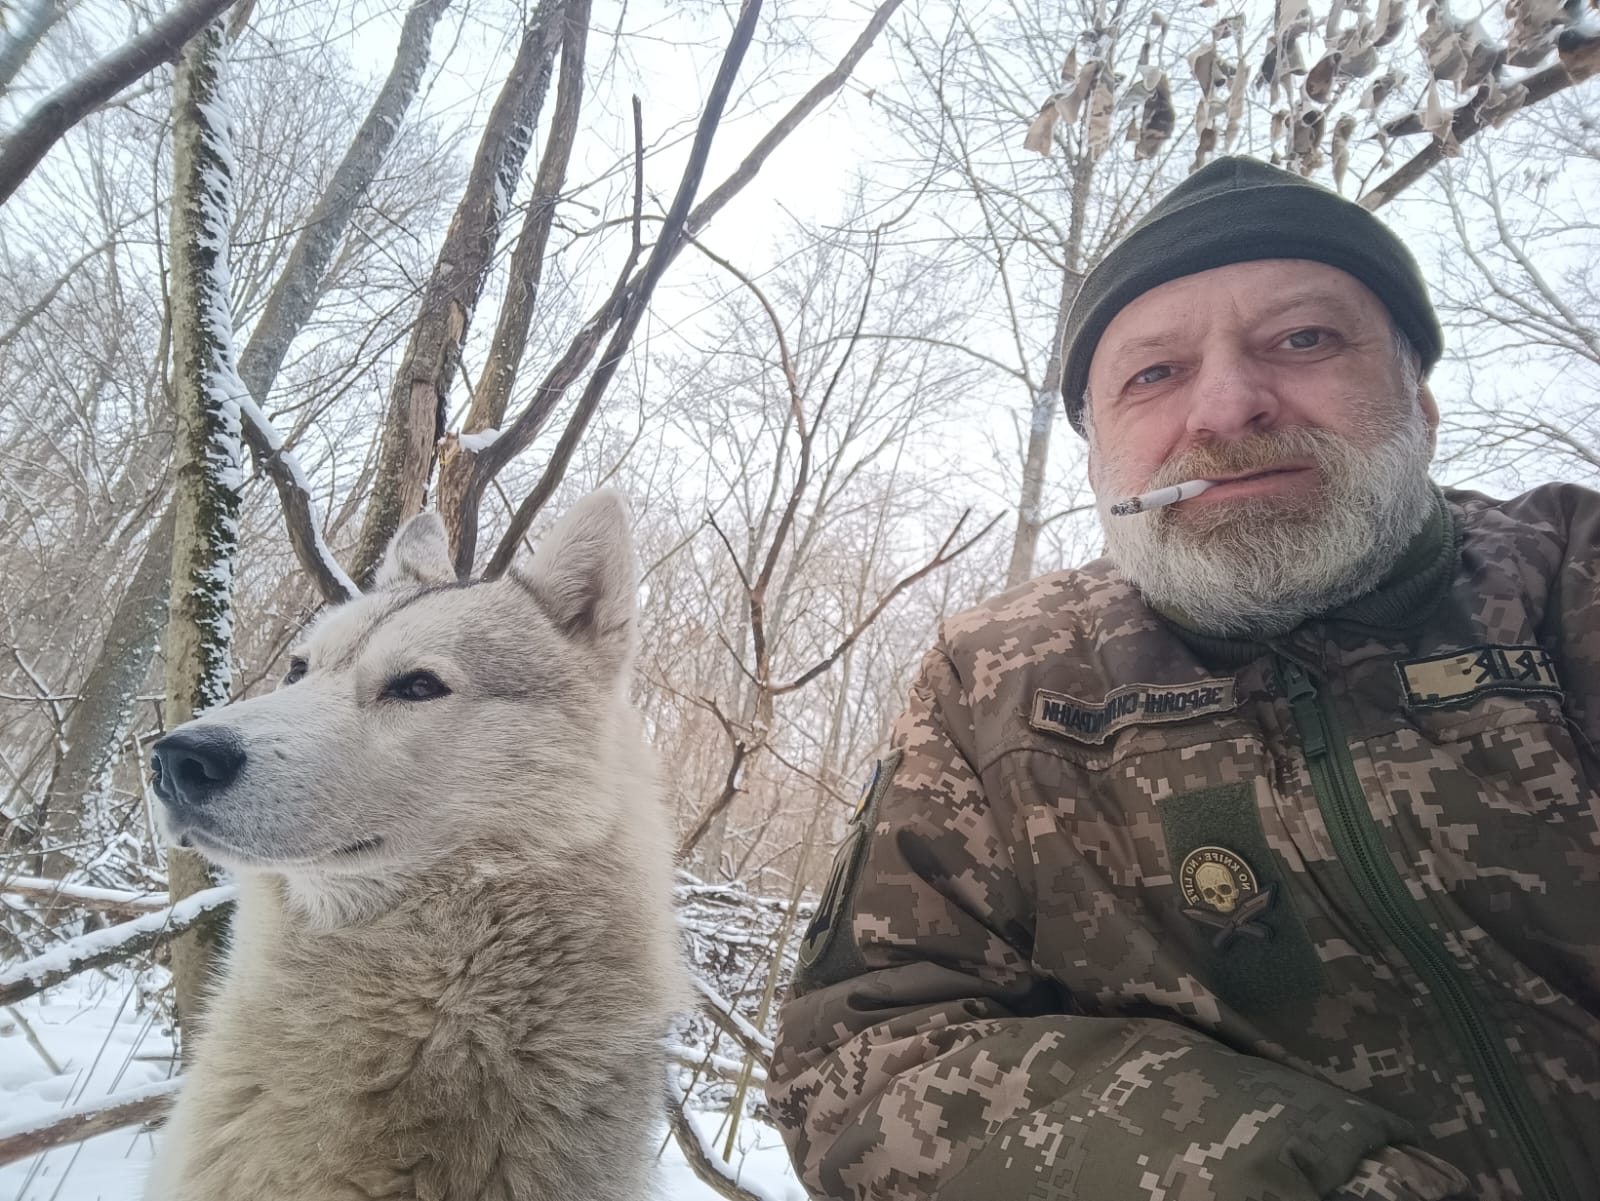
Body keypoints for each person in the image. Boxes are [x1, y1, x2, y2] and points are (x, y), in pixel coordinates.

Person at [765, 156, 1599, 1201]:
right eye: (1152, 375)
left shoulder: (1573, 581)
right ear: (1100, 460)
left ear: (1418, 403)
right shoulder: (999, 687)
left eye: (1301, 339)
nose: (1224, 407)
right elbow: (860, 1056)